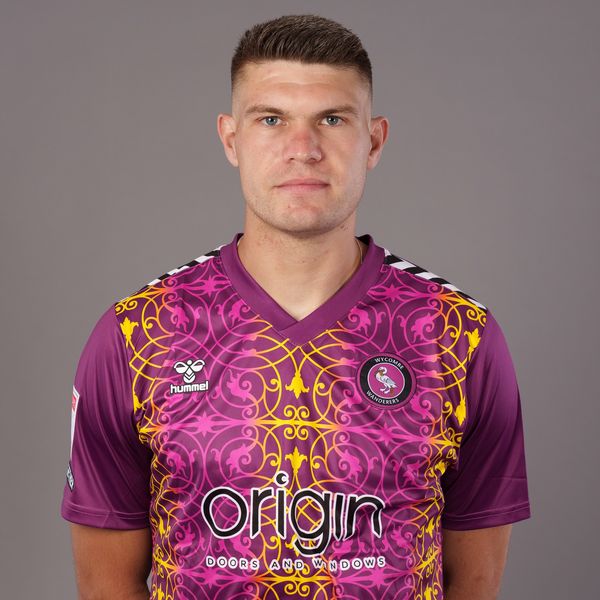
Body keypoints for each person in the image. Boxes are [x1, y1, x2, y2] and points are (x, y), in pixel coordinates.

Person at [61, 14, 531, 600]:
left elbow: (475, 582)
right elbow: (105, 583)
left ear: (374, 140)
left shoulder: (459, 335)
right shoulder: (138, 333)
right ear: (231, 139)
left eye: (332, 119)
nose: (302, 149)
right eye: (271, 119)